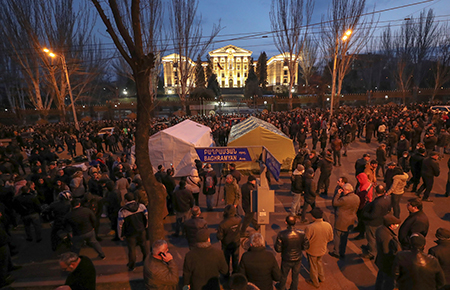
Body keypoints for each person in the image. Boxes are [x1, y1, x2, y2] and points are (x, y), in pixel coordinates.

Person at [274, 215, 309, 290]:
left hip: (286, 258)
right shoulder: (301, 233)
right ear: (295, 222)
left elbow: (278, 249)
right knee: (295, 276)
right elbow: (306, 245)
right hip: (298, 258)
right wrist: (299, 249)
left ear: (286, 222)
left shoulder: (282, 234)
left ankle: (282, 288)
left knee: (283, 275)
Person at [117, 192, 149, 271]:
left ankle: (132, 265)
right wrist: (146, 226)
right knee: (144, 246)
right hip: (141, 230)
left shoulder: (122, 211)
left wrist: (120, 235)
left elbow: (120, 225)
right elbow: (146, 217)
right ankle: (147, 260)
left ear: (126, 200)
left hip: (130, 233)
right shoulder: (141, 206)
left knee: (132, 249)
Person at [360, 185, 391, 260]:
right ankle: (369, 247)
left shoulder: (377, 203)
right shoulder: (387, 199)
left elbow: (373, 215)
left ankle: (372, 252)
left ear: (375, 191)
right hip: (381, 221)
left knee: (371, 237)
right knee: (374, 236)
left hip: (373, 223)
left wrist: (364, 214)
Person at [304, 208, 333, 288]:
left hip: (312, 250)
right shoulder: (328, 225)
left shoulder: (310, 227)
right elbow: (330, 238)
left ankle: (315, 282)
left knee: (313, 266)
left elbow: (306, 240)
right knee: (319, 262)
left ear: (313, 217)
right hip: (322, 249)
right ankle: (322, 277)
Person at [329, 183, 359, 259]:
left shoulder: (344, 199)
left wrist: (337, 194)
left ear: (347, 190)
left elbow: (335, 203)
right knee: (344, 238)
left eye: (343, 190)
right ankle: (342, 252)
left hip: (341, 220)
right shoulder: (356, 198)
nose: (343, 191)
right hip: (350, 220)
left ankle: (336, 252)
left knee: (337, 237)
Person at [374, 215, 402, 290]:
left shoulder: (380, 229)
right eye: (396, 224)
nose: (397, 225)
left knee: (381, 277)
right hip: (387, 264)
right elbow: (387, 251)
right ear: (391, 225)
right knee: (388, 282)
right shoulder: (387, 237)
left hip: (381, 261)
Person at [217, 204, 241, 276]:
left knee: (226, 260)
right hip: (236, 242)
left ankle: (226, 275)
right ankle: (235, 273)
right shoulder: (238, 220)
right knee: (235, 260)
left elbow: (219, 236)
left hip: (226, 244)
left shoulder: (223, 224)